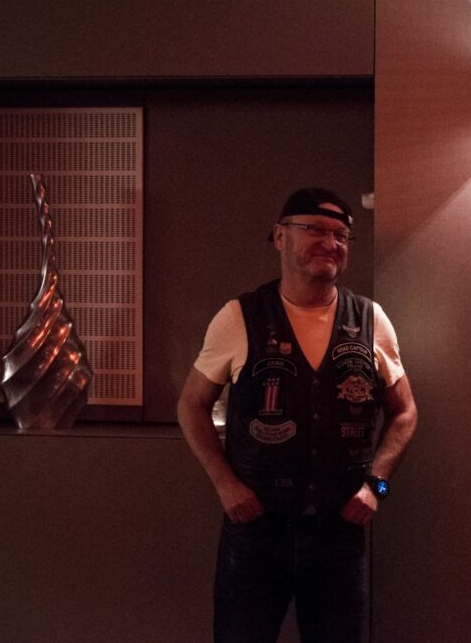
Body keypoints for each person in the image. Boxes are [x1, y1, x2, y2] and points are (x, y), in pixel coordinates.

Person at [178, 188, 418, 643]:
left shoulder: (371, 320)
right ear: (280, 237)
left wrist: (377, 487)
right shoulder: (239, 317)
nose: (330, 243)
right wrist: (225, 484)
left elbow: (404, 412)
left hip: (339, 537)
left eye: (341, 235)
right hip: (256, 533)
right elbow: (191, 403)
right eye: (314, 230)